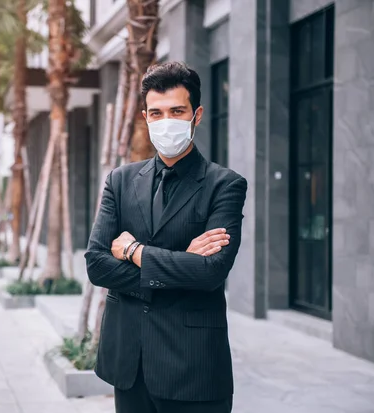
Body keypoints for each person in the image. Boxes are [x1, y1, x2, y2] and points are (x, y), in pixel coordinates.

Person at [85, 61, 248, 413]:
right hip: (130, 363)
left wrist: (134, 251)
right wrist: (180, 262)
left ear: (197, 115)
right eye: (156, 113)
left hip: (193, 366)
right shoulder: (120, 180)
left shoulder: (225, 185)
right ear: (145, 118)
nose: (166, 121)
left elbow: (211, 272)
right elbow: (97, 264)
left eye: (177, 111)